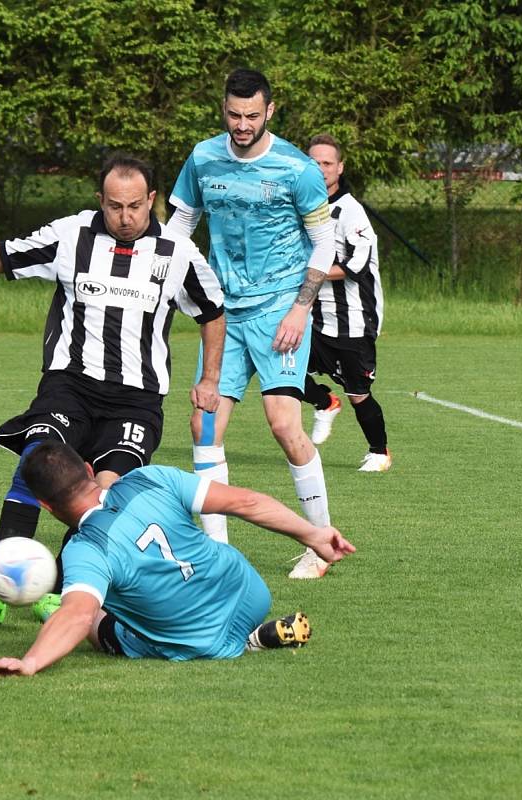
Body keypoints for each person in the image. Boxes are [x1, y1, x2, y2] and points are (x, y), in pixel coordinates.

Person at [0, 153, 226, 625]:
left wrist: (209, 378)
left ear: (151, 199)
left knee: (102, 491)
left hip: (135, 400)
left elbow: (213, 312)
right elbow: (2, 255)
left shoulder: (178, 253)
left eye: (135, 206)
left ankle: (59, 590)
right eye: (114, 206)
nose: (126, 216)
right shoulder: (72, 235)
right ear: (100, 200)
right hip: (69, 385)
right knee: (38, 460)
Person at [0, 440, 356, 677]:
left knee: (96, 617)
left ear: (46, 506)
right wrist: (315, 535)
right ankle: (253, 636)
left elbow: (79, 615)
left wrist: (29, 661)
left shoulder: (85, 550)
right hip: (250, 594)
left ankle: (246, 643)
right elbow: (247, 502)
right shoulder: (151, 478)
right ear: (89, 470)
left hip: (200, 643)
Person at [165, 68, 337, 580]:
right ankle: (218, 554)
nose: (242, 124)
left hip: (280, 307)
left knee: (284, 425)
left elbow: (325, 242)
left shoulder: (297, 168)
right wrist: (172, 283)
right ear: (225, 109)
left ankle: (320, 543)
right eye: (234, 115)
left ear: (270, 111)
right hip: (223, 312)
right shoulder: (202, 157)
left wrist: (299, 308)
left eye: (252, 115)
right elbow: (179, 225)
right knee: (204, 422)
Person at [304, 134, 391, 472]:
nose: (320, 169)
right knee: (280, 366)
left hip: (353, 320)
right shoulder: (306, 208)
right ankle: (325, 402)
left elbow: (356, 265)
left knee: (359, 393)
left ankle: (380, 453)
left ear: (339, 168)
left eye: (327, 163)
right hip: (313, 317)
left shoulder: (351, 211)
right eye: (314, 163)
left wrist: (309, 272)